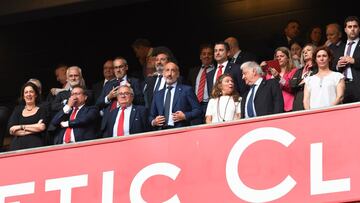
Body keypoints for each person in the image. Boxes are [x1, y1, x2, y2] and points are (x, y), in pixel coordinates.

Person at [150, 62, 202, 129]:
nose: (169, 74)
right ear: (163, 74)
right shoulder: (158, 94)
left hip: (180, 130)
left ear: (178, 74)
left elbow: (198, 110)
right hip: (162, 131)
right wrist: (154, 121)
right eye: (167, 70)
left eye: (173, 70)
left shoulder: (186, 90)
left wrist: (185, 116)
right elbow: (151, 116)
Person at [7, 82, 48, 150]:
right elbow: (11, 130)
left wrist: (20, 127)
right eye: (26, 92)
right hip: (17, 146)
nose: (28, 94)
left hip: (35, 145)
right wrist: (35, 128)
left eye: (31, 92)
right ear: (23, 96)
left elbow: (41, 127)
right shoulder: (17, 110)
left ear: (36, 95)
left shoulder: (42, 110)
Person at [333, 16, 360, 103]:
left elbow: (354, 61)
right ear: (345, 30)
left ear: (359, 29)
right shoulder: (339, 48)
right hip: (342, 86)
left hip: (358, 85)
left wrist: (354, 61)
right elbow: (331, 67)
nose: (352, 29)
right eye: (349, 27)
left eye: (355, 26)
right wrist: (338, 66)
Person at [261, 47, 297, 112]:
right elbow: (263, 87)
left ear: (288, 58)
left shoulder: (293, 71)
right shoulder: (269, 73)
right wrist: (261, 71)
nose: (279, 58)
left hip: (287, 106)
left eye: (282, 56)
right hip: (272, 107)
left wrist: (278, 77)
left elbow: (290, 86)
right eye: (277, 57)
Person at [187, 43, 215, 123]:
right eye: (204, 54)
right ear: (200, 56)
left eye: (209, 54)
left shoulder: (217, 71)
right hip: (195, 106)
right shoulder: (193, 71)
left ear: (213, 56)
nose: (206, 56)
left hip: (209, 105)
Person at [290, 44, 317, 111]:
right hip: (298, 102)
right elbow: (292, 85)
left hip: (313, 102)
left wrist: (300, 83)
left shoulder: (318, 69)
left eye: (308, 50)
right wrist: (304, 81)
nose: (305, 52)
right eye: (303, 51)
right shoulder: (299, 71)